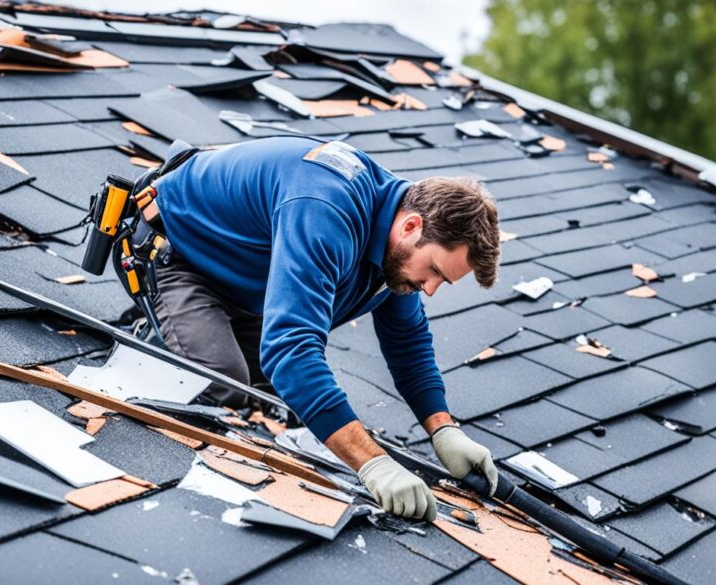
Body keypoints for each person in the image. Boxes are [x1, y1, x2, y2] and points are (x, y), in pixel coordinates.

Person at [141, 136, 501, 521]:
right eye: (434, 272)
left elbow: (407, 340)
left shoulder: (399, 239)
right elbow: (290, 349)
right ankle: (149, 340)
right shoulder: (325, 207)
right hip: (176, 250)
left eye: (441, 282)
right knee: (221, 384)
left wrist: (443, 430)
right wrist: (372, 463)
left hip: (246, 282)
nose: (429, 288)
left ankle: (195, 330)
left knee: (279, 398)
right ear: (412, 226)